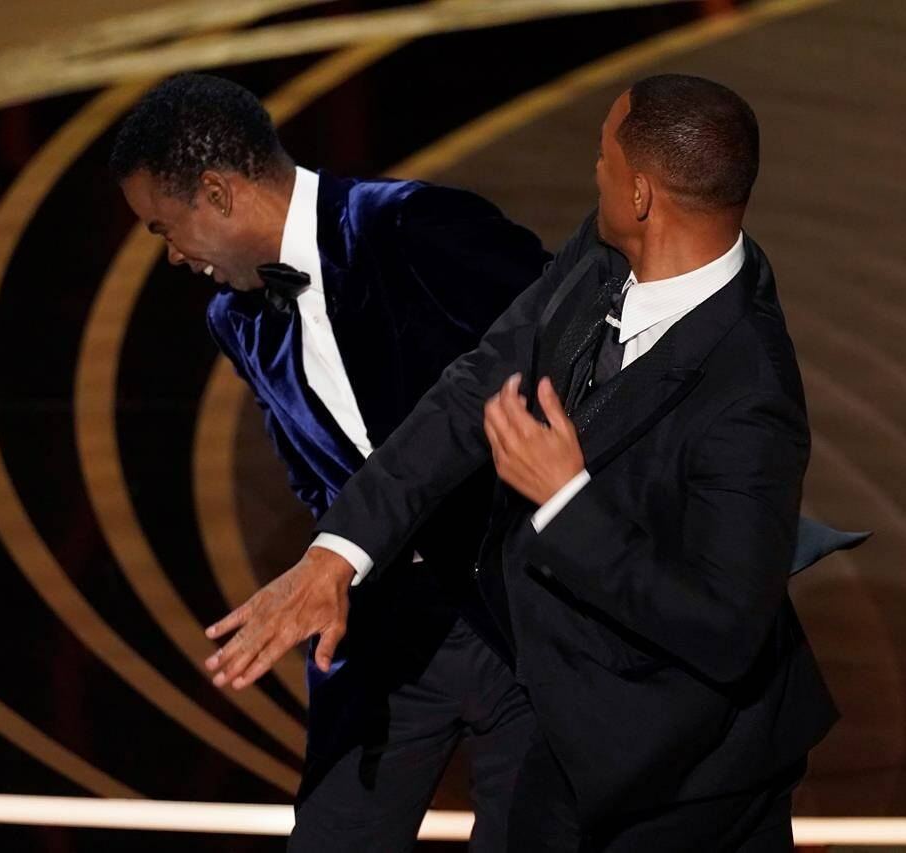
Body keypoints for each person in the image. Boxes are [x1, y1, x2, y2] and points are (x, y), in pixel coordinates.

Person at [204, 74, 860, 851]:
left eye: (602, 158)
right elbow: (473, 387)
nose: (594, 173)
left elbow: (722, 627)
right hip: (563, 734)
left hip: (689, 779)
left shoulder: (750, 391)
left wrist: (566, 498)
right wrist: (338, 552)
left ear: (643, 194)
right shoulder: (602, 252)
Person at [110, 73, 551, 851]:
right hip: (381, 623)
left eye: (162, 227)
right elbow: (314, 473)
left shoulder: (417, 225)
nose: (172, 255)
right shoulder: (235, 319)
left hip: (522, 613)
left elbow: (575, 364)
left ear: (216, 191)